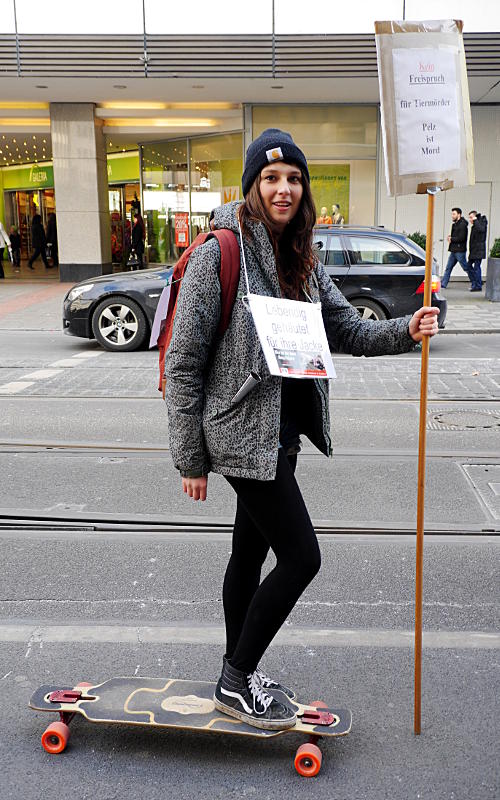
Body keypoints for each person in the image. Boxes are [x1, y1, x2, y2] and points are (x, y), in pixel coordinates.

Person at [164, 128, 439, 731]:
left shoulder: (303, 257)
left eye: (293, 178)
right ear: (252, 187)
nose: (283, 188)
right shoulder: (221, 252)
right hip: (240, 434)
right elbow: (184, 361)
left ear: (304, 189)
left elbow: (346, 329)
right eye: (270, 178)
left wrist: (406, 330)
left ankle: (240, 670)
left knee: (248, 553)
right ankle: (236, 681)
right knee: (302, 557)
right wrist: (190, 457)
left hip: (281, 436)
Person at [441, 207, 470, 289]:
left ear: (459, 215)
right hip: (454, 250)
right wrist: (451, 237)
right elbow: (456, 236)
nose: (452, 216)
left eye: (454, 214)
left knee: (465, 267)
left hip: (460, 251)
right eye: (452, 214)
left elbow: (462, 238)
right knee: (448, 267)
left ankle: (476, 282)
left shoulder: (463, 225)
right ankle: (443, 284)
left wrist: (451, 239)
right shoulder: (455, 225)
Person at [467, 210, 488, 292]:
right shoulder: (475, 225)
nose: (470, 219)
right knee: (468, 266)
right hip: (474, 250)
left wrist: (475, 220)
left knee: (476, 267)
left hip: (479, 250)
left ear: (475, 217)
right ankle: (476, 282)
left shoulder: (481, 222)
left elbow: (481, 230)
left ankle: (477, 285)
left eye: (471, 217)